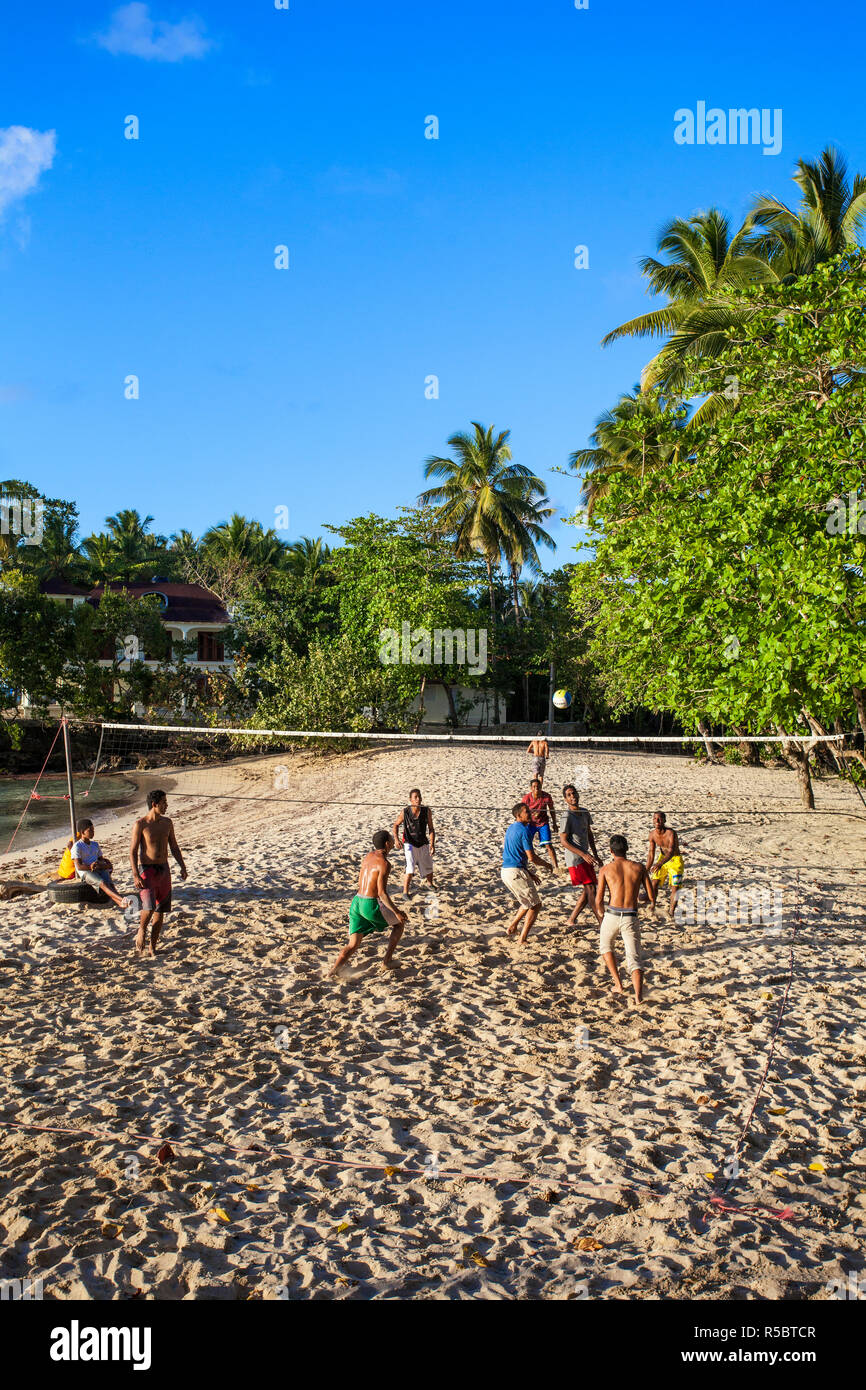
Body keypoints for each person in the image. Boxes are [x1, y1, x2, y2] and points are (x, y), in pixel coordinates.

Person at [329, 830, 408, 975]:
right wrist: (397, 912)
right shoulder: (384, 863)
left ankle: (333, 971)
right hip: (370, 905)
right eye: (391, 839)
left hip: (357, 902)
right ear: (387, 844)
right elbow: (382, 893)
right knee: (399, 924)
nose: (393, 840)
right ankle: (387, 961)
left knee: (352, 944)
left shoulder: (369, 856)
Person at [595, 834, 657, 1004]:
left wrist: (601, 913)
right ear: (627, 849)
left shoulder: (606, 870)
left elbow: (598, 899)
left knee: (606, 946)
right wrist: (641, 896)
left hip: (612, 914)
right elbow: (650, 896)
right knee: (634, 958)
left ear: (610, 851)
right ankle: (638, 996)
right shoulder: (639, 868)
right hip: (630, 915)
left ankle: (618, 983)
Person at [129, 790, 187, 958]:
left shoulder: (167, 823)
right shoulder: (141, 824)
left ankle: (152, 948)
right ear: (154, 804)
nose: (166, 805)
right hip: (147, 870)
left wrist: (182, 866)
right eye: (163, 802)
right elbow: (132, 851)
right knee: (149, 906)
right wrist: (135, 874)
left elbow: (174, 847)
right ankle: (141, 930)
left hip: (164, 869)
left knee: (160, 910)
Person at [500, 803, 551, 944]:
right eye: (526, 812)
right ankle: (522, 939)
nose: (530, 813)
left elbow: (515, 854)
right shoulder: (524, 831)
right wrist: (547, 864)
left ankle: (513, 925)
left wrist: (529, 873)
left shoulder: (511, 828)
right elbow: (532, 857)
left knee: (527, 902)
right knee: (535, 905)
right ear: (518, 815)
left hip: (506, 871)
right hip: (515, 872)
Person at [560, 785, 602, 926]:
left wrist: (595, 854)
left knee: (588, 889)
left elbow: (589, 834)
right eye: (569, 795)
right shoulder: (567, 816)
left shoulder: (584, 812)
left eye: (574, 793)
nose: (573, 797)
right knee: (590, 889)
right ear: (566, 799)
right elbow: (563, 841)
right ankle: (601, 922)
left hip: (586, 856)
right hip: (575, 858)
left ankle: (571, 919)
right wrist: (584, 854)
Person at [70, 819, 130, 910]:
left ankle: (120, 902)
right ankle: (121, 899)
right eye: (90, 830)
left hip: (98, 868)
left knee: (109, 882)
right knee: (102, 883)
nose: (93, 832)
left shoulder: (95, 844)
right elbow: (79, 866)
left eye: (93, 830)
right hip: (86, 871)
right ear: (82, 832)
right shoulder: (77, 846)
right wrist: (90, 867)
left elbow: (101, 859)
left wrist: (104, 864)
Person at [392, 789, 435, 897]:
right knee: (410, 867)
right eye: (415, 797)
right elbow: (395, 825)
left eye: (419, 796)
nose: (418, 799)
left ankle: (429, 884)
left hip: (423, 842)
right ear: (410, 799)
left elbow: (431, 829)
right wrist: (396, 839)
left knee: (428, 865)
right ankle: (405, 892)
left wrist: (432, 844)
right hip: (409, 843)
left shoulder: (426, 811)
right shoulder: (405, 812)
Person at [646, 812, 685, 919]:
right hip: (662, 859)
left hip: (675, 860)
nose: (657, 821)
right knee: (654, 882)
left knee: (675, 887)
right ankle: (653, 904)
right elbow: (651, 853)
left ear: (664, 820)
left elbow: (671, 851)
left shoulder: (671, 833)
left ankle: (671, 911)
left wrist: (659, 863)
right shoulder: (652, 834)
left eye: (660, 819)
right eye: (655, 819)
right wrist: (646, 869)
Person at [521, 776, 559, 870]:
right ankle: (524, 865)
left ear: (541, 787)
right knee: (526, 844)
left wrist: (554, 823)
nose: (536, 788)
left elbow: (552, 810)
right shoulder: (526, 798)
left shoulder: (546, 796)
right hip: (531, 824)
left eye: (538, 786)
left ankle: (556, 867)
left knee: (548, 845)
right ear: (531, 788)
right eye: (534, 786)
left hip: (543, 823)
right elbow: (521, 812)